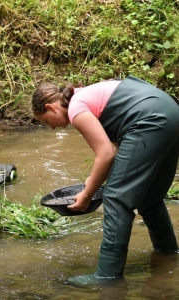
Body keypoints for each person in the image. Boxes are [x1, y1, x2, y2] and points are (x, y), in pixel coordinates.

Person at [31, 75, 179, 286]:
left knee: (115, 198)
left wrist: (87, 194)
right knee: (150, 197)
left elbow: (106, 154)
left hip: (150, 120)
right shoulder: (85, 95)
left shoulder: (76, 109)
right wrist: (94, 178)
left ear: (50, 107)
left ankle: (107, 276)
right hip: (170, 111)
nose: (51, 127)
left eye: (46, 121)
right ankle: (169, 253)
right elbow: (122, 150)